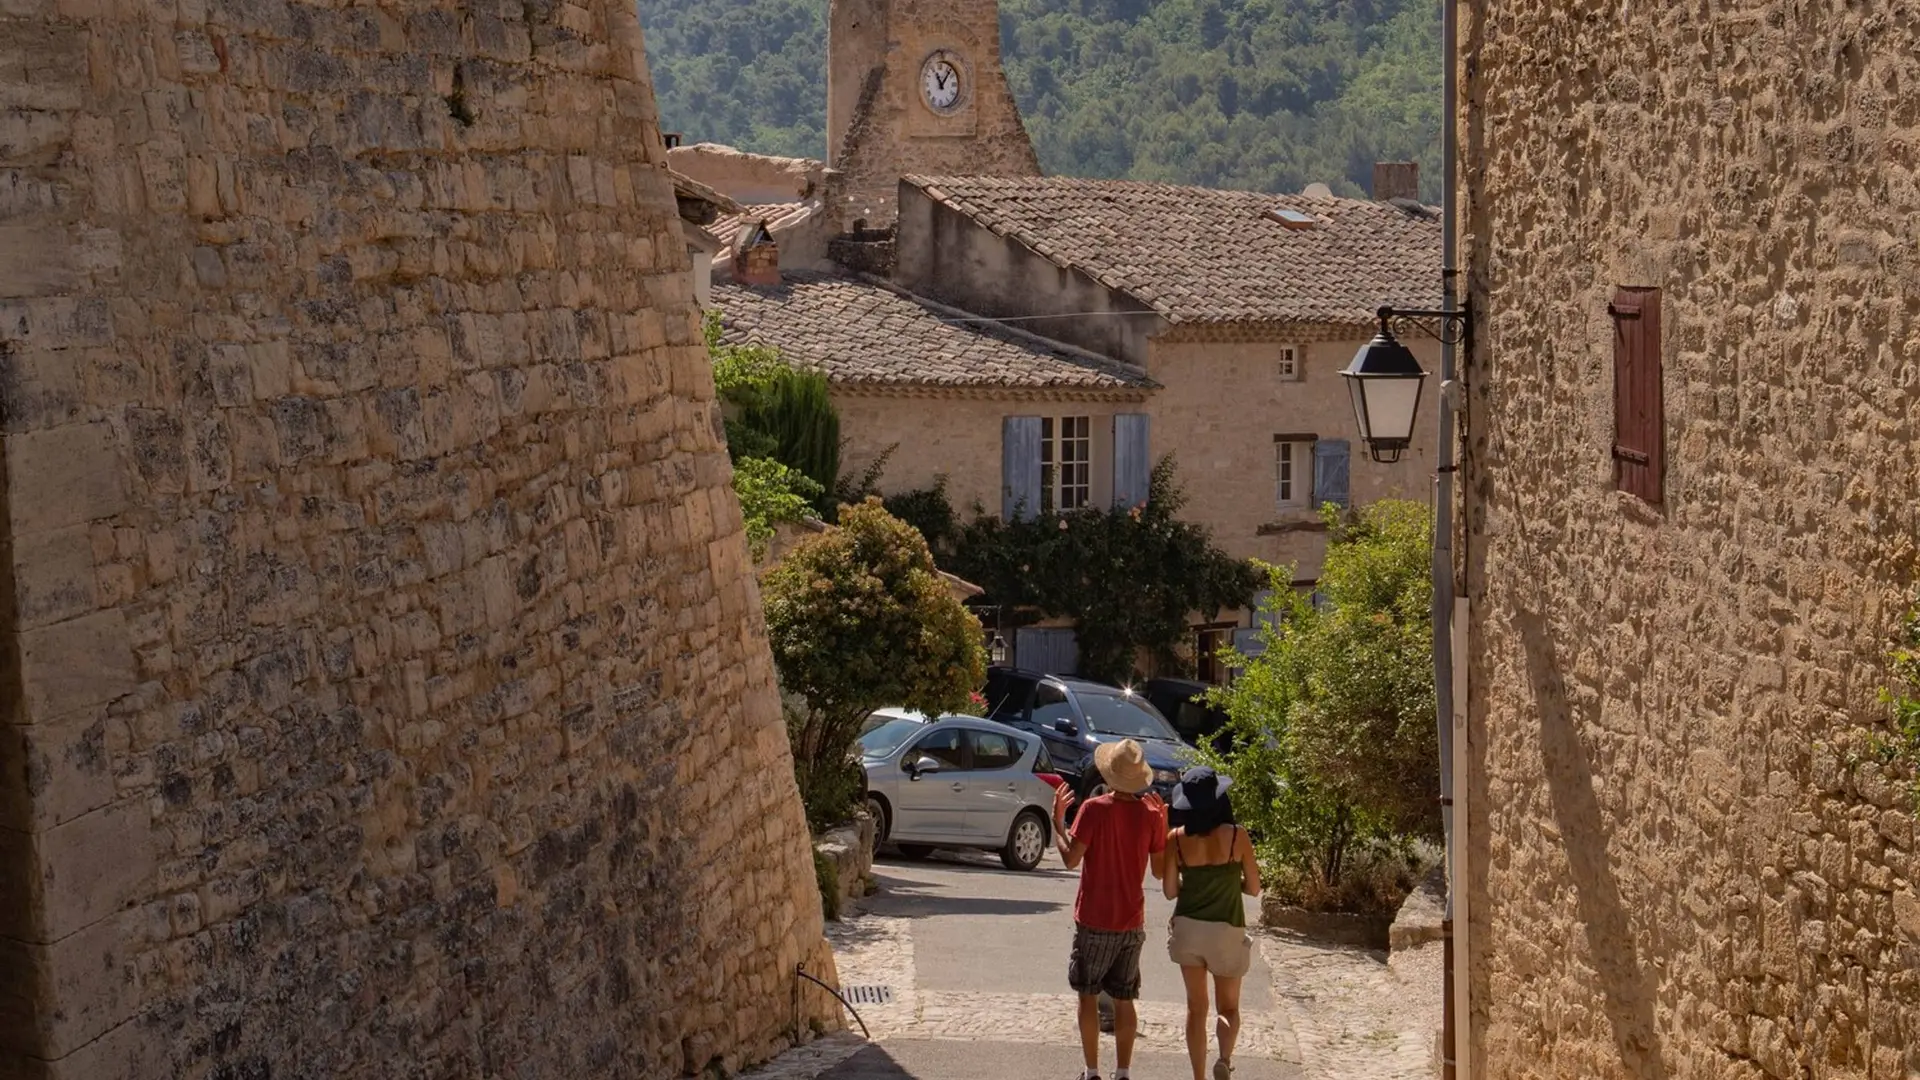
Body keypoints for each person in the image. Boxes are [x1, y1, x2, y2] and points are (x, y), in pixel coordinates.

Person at [1051, 739, 1167, 1080]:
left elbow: (1071, 859)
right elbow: (1159, 872)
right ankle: (1124, 1072)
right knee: (1125, 998)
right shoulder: (1150, 815)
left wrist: (1058, 822)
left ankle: (1091, 1072)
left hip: (1094, 918)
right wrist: (1163, 822)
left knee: (1087, 995)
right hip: (1132, 922)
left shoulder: (1094, 809)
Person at [1161, 766, 1261, 1080]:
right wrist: (1238, 885)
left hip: (1188, 929)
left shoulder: (1175, 839)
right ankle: (1224, 1059)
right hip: (1227, 929)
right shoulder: (1237, 836)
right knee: (1227, 1008)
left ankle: (1198, 1077)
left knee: (1196, 1008)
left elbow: (1169, 891)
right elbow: (1255, 887)